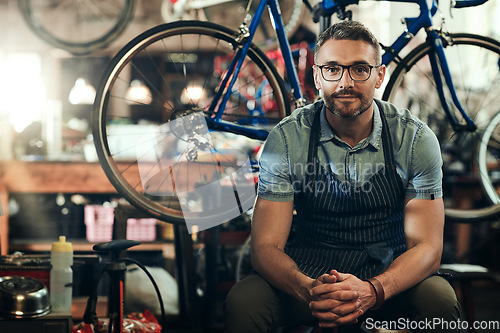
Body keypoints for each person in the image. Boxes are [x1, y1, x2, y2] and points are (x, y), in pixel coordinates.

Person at [224, 20, 464, 332]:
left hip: (389, 269)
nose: (345, 82)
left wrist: (375, 289)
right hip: (310, 271)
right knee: (244, 302)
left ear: (379, 76)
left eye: (359, 69)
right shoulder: (287, 139)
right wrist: (308, 289)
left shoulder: (414, 139)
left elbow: (428, 248)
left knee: (440, 302)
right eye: (332, 69)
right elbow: (265, 247)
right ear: (316, 76)